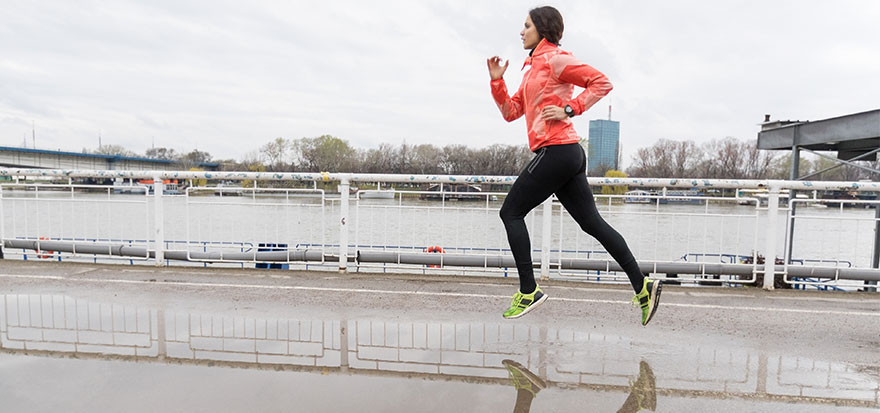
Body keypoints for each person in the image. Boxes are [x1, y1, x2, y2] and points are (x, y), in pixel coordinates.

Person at [487, 6, 661, 325]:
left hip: (558, 150)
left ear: (542, 28)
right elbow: (512, 112)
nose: (521, 31)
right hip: (565, 154)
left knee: (510, 212)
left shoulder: (556, 59)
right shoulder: (530, 70)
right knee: (592, 223)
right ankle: (643, 285)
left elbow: (601, 82)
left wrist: (570, 107)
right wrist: (497, 82)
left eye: (526, 26)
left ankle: (529, 291)